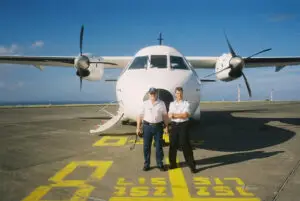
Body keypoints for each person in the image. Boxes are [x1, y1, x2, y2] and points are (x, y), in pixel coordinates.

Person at [136, 87, 169, 171]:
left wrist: (166, 126)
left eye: (154, 93)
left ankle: (159, 163)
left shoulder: (161, 103)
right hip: (147, 127)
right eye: (151, 93)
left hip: (158, 127)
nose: (152, 95)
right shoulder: (145, 104)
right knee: (146, 146)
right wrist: (138, 127)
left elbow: (165, 115)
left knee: (159, 146)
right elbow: (139, 116)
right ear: (148, 94)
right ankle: (147, 164)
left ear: (156, 94)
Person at [168, 87, 197, 173]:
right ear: (175, 94)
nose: (179, 95)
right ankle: (172, 164)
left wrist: (175, 115)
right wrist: (178, 115)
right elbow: (170, 115)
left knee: (185, 145)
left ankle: (192, 165)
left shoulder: (186, 103)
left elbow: (186, 115)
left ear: (182, 94)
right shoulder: (172, 104)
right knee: (172, 145)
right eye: (177, 93)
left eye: (180, 93)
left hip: (183, 125)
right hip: (174, 125)